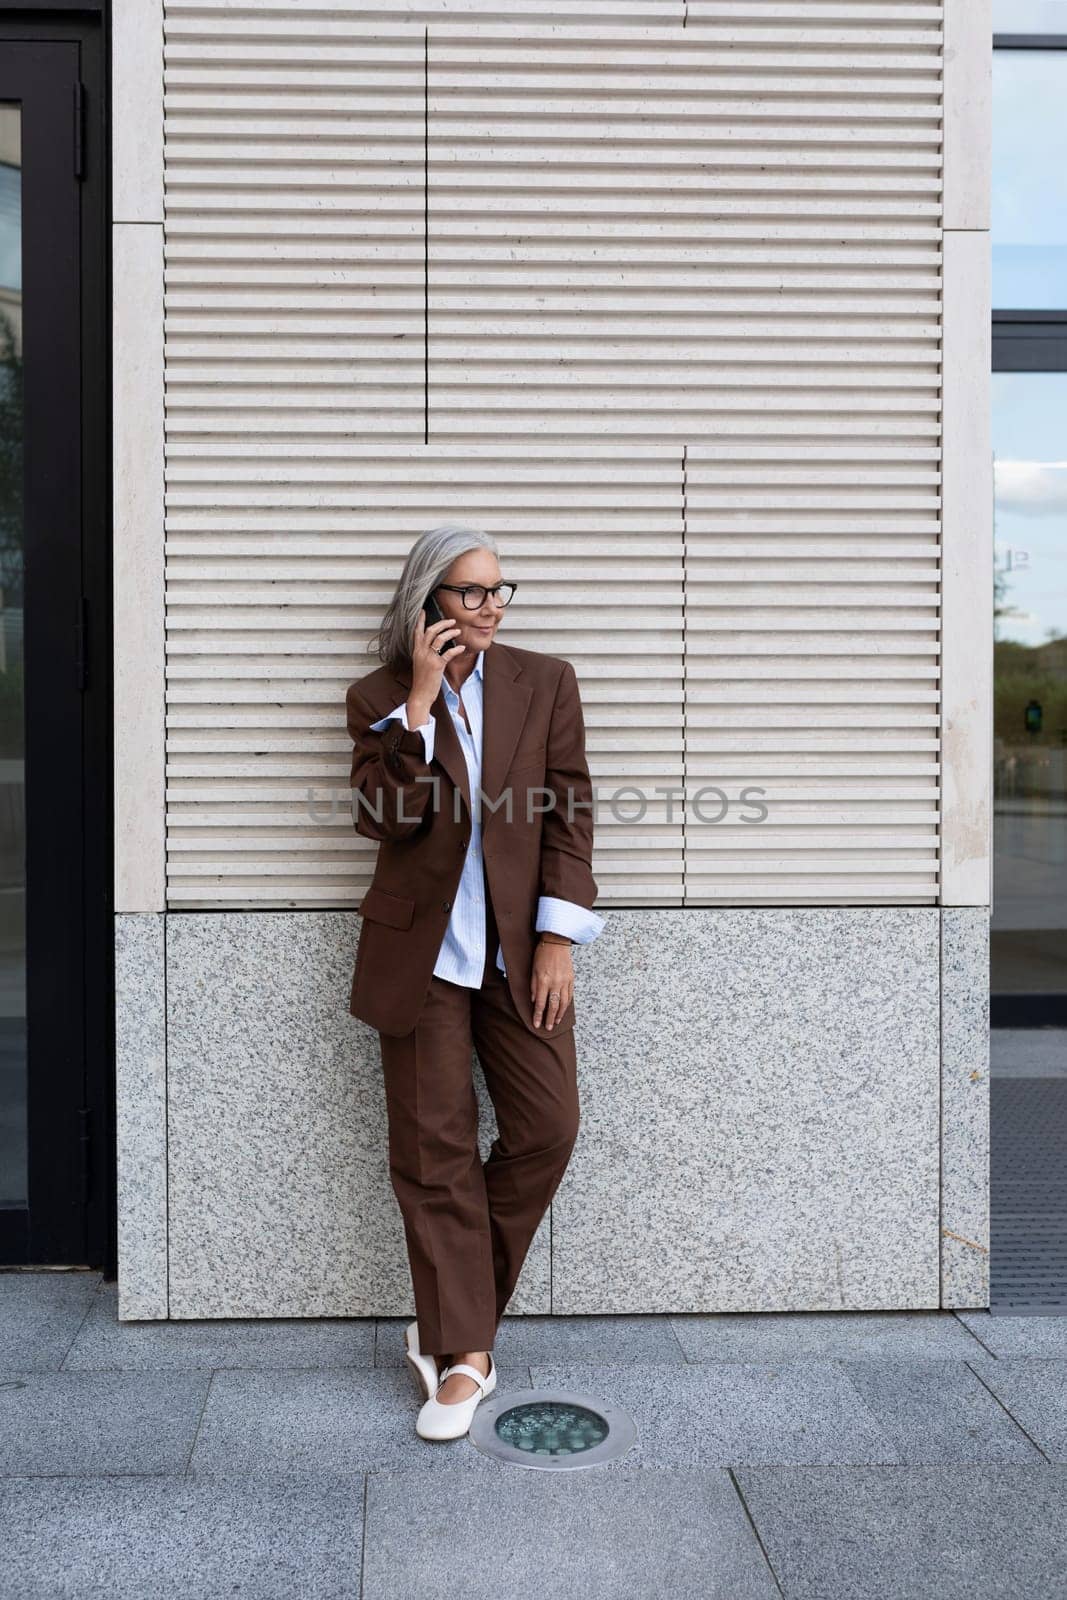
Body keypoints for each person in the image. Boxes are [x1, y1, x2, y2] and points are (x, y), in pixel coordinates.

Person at [345, 523, 605, 1440]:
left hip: (513, 952)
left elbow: (569, 814)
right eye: (471, 594)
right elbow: (387, 818)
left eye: (500, 591)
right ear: (429, 606)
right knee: (434, 1151)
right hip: (420, 960)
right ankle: (465, 1358)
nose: (491, 607)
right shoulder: (377, 697)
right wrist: (417, 703)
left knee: (547, 1127)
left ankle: (456, 1314)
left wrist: (556, 939)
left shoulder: (546, 682)